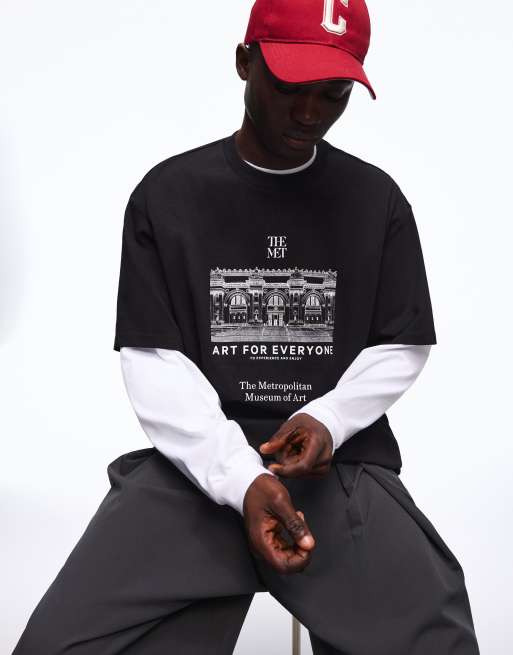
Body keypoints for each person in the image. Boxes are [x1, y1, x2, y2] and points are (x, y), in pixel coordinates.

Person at [11, 0, 481, 653]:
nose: (310, 112)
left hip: (339, 466)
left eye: (334, 93)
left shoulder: (376, 200)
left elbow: (400, 340)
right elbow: (154, 360)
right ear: (243, 62)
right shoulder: (168, 195)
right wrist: (242, 478)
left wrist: (328, 418)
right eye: (290, 85)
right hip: (195, 465)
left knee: (436, 640)